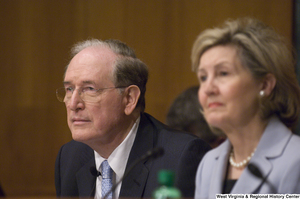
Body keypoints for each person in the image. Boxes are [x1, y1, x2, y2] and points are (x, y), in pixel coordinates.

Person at [55, 39, 211, 198]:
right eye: (69, 89)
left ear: (129, 99)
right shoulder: (70, 156)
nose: (73, 104)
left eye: (89, 89)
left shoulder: (182, 157)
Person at [191, 17, 300, 198]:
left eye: (223, 73)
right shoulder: (209, 163)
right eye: (203, 77)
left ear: (264, 85)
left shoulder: (295, 160)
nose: (208, 89)